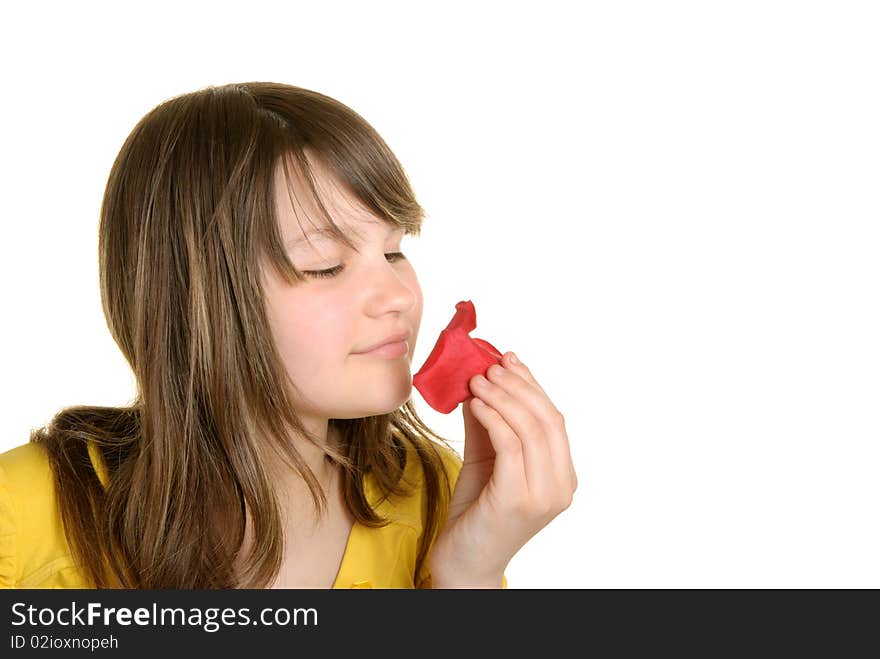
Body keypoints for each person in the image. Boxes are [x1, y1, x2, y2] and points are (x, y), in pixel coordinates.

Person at [0, 82, 577, 589]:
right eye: (325, 264)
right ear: (194, 298)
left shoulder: (439, 497)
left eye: (395, 251)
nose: (400, 295)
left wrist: (468, 577)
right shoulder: (20, 515)